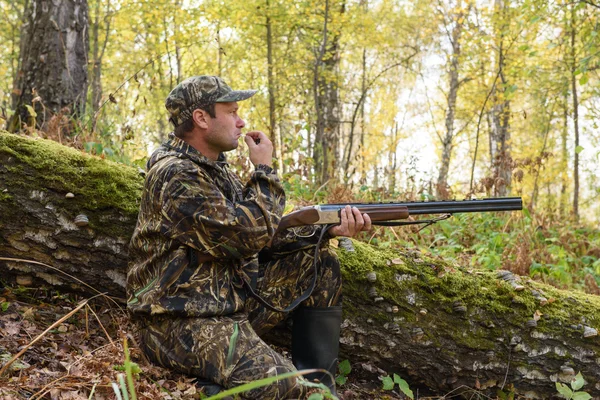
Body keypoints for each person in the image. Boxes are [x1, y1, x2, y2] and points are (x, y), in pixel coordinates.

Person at [127, 75, 372, 399]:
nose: (241, 122)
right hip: (176, 323)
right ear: (201, 118)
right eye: (231, 112)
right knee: (291, 391)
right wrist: (264, 171)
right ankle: (215, 389)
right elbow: (245, 236)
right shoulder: (176, 174)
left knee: (320, 263)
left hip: (224, 302)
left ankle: (319, 382)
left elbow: (264, 237)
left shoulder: (213, 170)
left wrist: (325, 229)